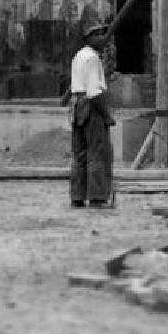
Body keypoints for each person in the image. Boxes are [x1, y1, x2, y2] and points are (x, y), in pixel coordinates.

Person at [66, 23, 115, 207]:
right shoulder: (92, 59)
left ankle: (77, 197)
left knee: (79, 154)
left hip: (77, 105)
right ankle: (97, 197)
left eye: (103, 34)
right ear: (88, 39)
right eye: (97, 35)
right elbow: (94, 92)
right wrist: (106, 115)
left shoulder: (78, 56)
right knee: (97, 153)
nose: (102, 38)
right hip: (90, 107)